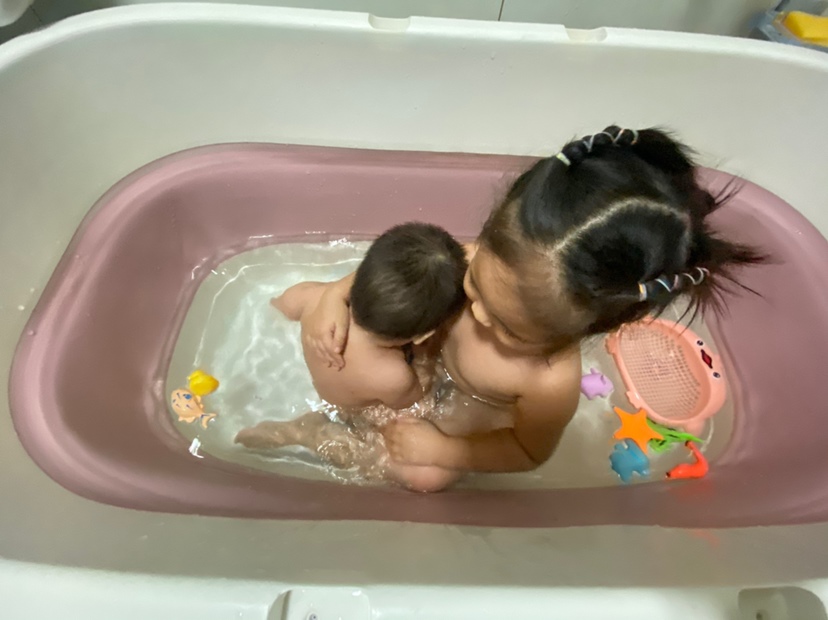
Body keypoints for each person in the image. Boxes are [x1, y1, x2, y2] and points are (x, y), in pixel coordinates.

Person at [301, 126, 763, 479]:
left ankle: (315, 436)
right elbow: (410, 269)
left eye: (508, 327)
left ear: (582, 329)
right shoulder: (488, 259)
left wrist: (446, 450)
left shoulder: (549, 384)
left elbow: (526, 452)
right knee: (321, 304)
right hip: (422, 365)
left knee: (425, 478)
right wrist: (336, 295)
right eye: (475, 285)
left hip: (474, 410)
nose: (477, 311)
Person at [235, 222, 468, 491]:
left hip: (326, 375)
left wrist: (324, 297)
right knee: (413, 446)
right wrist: (427, 361)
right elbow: (414, 398)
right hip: (352, 410)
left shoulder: (317, 299)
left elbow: (284, 305)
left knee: (293, 299)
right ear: (422, 336)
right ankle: (310, 432)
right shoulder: (393, 376)